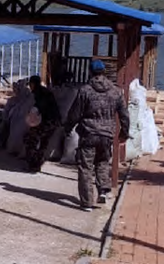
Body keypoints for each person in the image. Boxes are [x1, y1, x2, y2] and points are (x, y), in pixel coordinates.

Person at [65, 59, 129, 212]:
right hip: (107, 135)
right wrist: (124, 132)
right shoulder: (116, 91)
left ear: (90, 72)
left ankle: (87, 202)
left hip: (89, 133)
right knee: (102, 162)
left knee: (86, 167)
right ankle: (103, 191)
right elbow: (124, 115)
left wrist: (68, 127)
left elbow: (75, 113)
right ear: (104, 72)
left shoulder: (85, 90)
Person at [23, 75, 61, 172]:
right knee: (43, 142)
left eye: (30, 84)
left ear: (33, 84)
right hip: (53, 121)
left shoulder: (40, 93)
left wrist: (34, 111)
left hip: (48, 121)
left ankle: (33, 164)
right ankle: (37, 164)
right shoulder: (45, 91)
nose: (29, 86)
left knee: (30, 140)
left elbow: (40, 108)